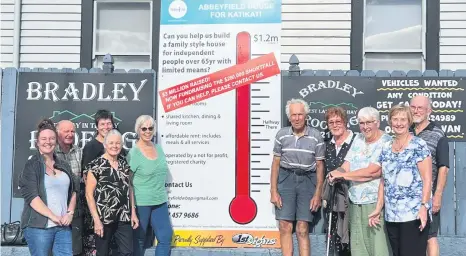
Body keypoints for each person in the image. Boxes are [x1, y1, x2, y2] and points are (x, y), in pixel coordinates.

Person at [368, 105, 432, 256]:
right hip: (392, 216)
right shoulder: (386, 146)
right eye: (395, 119)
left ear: (409, 121)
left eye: (403, 119)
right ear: (390, 122)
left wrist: (424, 207)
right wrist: (378, 209)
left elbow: (427, 179)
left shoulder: (418, 145)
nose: (399, 123)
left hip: (414, 215)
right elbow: (384, 181)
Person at [328, 107, 392, 256]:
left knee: (378, 248)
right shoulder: (358, 139)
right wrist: (335, 173)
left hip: (375, 203)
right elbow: (346, 165)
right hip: (354, 201)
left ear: (377, 122)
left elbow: (373, 172)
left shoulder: (386, 141)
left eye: (369, 122)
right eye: (361, 123)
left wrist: (343, 176)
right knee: (358, 248)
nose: (365, 127)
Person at [270, 98, 325, 256]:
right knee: (285, 226)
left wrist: (318, 194)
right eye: (293, 115)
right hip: (286, 179)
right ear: (289, 117)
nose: (297, 118)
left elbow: (320, 166)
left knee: (302, 228)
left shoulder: (316, 136)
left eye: (300, 114)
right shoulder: (281, 135)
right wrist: (273, 190)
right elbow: (275, 163)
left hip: (308, 181)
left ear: (306, 115)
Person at [19, 118, 78, 256]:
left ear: (56, 141)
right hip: (38, 227)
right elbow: (32, 197)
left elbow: (74, 190)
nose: (48, 142)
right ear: (37, 142)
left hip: (62, 227)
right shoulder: (31, 165)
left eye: (51, 138)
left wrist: (70, 213)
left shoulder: (63, 165)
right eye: (44, 139)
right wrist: (53, 216)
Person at [84, 129, 139, 256]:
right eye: (111, 143)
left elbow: (129, 188)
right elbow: (89, 194)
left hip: (123, 216)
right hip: (103, 218)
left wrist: (133, 213)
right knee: (102, 253)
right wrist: (96, 220)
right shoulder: (95, 166)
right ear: (105, 144)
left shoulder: (124, 163)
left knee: (128, 252)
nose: (115, 146)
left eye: (118, 143)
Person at [127, 115, 173, 256]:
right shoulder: (134, 153)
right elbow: (128, 183)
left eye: (150, 128)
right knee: (139, 240)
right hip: (142, 202)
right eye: (144, 128)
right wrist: (133, 209)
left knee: (165, 238)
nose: (147, 131)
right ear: (138, 130)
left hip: (160, 200)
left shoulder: (158, 148)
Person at [409, 95, 449, 256]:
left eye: (421, 108)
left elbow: (443, 168)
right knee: (410, 237)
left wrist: (437, 195)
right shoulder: (405, 130)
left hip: (428, 195)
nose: (416, 111)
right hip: (406, 197)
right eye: (413, 107)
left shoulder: (438, 134)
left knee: (429, 237)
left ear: (429, 111)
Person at [82, 109, 125, 256]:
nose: (106, 126)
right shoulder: (90, 147)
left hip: (119, 212)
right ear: (96, 126)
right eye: (102, 124)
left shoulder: (120, 148)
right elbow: (86, 178)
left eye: (109, 123)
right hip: (100, 210)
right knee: (101, 249)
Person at [322, 107, 356, 255]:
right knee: (333, 236)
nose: (335, 125)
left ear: (346, 122)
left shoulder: (357, 141)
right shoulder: (327, 145)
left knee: (350, 237)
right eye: (331, 122)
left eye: (338, 121)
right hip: (332, 198)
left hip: (352, 197)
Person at [55, 120, 84, 256]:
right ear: (57, 133)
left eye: (72, 131)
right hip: (55, 211)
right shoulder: (51, 153)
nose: (70, 134)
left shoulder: (79, 152)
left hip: (76, 210)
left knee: (76, 250)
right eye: (66, 131)